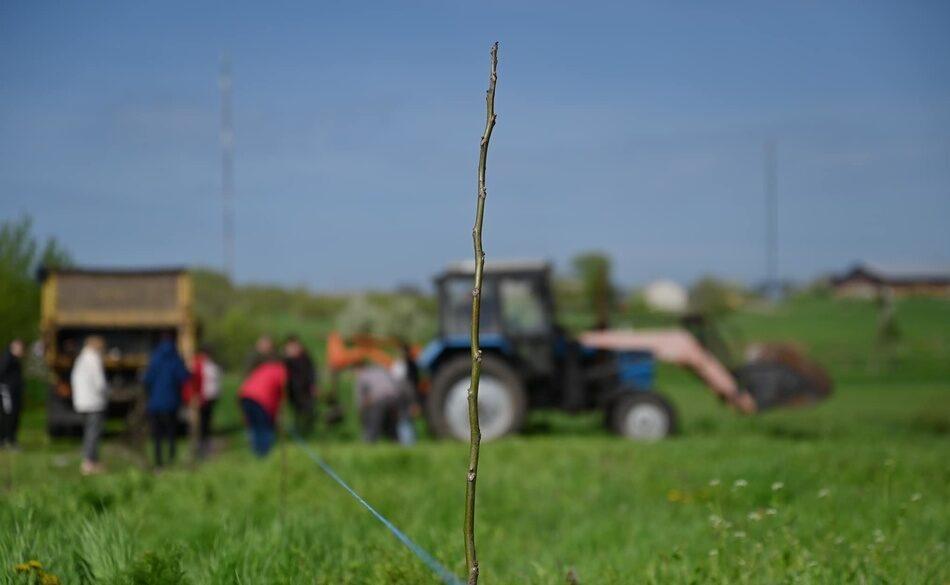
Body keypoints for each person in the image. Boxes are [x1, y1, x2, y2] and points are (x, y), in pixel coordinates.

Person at [143, 335, 190, 468]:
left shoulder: (155, 360)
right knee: (171, 432)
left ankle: (158, 461)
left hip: (155, 404)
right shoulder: (175, 361)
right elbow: (184, 377)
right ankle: (171, 458)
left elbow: (147, 380)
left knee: (157, 434)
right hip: (171, 404)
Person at [239, 348, 287, 457]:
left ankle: (255, 453)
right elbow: (281, 392)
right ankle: (264, 455)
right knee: (264, 428)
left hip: (245, 397)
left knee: (254, 428)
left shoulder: (262, 367)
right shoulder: (280, 370)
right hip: (261, 401)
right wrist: (277, 414)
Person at [71, 336, 108, 475]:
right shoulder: (94, 358)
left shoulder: (80, 359)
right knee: (93, 433)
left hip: (81, 401)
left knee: (88, 432)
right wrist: (107, 393)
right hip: (94, 402)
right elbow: (99, 382)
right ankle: (89, 462)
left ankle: (91, 460)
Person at [356, 361, 415, 444]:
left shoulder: (362, 376)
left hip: (379, 399)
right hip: (395, 398)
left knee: (374, 423)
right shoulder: (381, 370)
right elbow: (395, 383)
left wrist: (361, 411)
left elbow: (360, 398)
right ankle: (396, 443)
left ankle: (369, 443)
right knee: (392, 424)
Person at [183, 344, 221, 459]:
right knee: (199, 423)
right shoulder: (200, 364)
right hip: (200, 397)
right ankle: (199, 447)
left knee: (202, 422)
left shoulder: (203, 364)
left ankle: (201, 445)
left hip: (203, 397)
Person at [283, 335, 317, 438]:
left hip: (306, 390)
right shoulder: (286, 360)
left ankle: (307, 433)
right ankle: (297, 433)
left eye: (296, 345)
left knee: (309, 411)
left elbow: (312, 372)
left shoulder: (305, 357)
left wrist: (313, 384)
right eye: (292, 346)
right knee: (295, 413)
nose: (295, 348)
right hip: (292, 391)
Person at [0, 339, 25, 450]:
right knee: (8, 416)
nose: (21, 351)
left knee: (14, 415)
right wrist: (6, 388)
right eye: (19, 348)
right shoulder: (7, 359)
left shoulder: (15, 360)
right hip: (8, 392)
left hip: (14, 392)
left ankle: (10, 439)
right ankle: (7, 439)